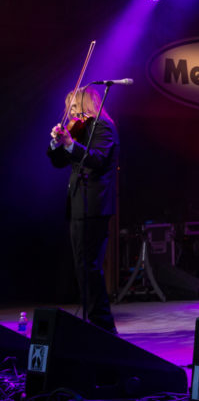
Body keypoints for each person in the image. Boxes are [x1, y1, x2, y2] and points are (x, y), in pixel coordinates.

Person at [48, 86, 120, 334]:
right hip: (79, 204)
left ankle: (103, 326)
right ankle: (95, 323)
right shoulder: (80, 130)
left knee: (89, 266)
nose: (72, 114)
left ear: (87, 104)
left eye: (75, 108)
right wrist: (58, 142)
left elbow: (97, 159)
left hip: (94, 205)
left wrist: (71, 144)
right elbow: (58, 161)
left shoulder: (102, 126)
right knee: (82, 266)